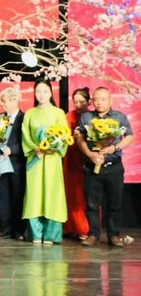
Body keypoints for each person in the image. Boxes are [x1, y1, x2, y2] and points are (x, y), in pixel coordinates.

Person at [75, 86, 134, 247]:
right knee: (92, 204)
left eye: (103, 99)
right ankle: (93, 234)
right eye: (96, 99)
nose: (99, 102)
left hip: (114, 166)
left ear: (110, 100)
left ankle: (113, 235)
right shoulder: (86, 117)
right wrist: (90, 154)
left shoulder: (119, 117)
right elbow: (80, 138)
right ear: (92, 101)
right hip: (92, 166)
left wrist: (114, 147)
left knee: (114, 204)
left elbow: (129, 136)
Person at [22, 79, 67, 245]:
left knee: (52, 193)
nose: (41, 95)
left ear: (51, 93)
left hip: (52, 159)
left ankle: (51, 234)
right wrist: (35, 148)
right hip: (35, 159)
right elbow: (25, 134)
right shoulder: (30, 113)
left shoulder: (58, 113)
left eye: (45, 91)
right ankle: (35, 233)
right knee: (34, 194)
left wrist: (53, 147)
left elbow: (64, 135)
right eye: (38, 91)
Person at [0, 86, 26, 240]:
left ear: (14, 100)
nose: (1, 104)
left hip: (17, 164)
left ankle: (18, 230)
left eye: (4, 101)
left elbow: (26, 141)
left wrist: (11, 150)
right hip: (1, 163)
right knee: (3, 197)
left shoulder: (25, 118)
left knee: (17, 196)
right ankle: (4, 229)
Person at [63, 87, 92, 239]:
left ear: (88, 101)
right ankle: (70, 227)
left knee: (87, 195)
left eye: (82, 101)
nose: (78, 105)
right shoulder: (68, 116)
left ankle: (85, 229)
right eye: (76, 102)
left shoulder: (93, 117)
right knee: (72, 193)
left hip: (88, 158)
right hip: (72, 158)